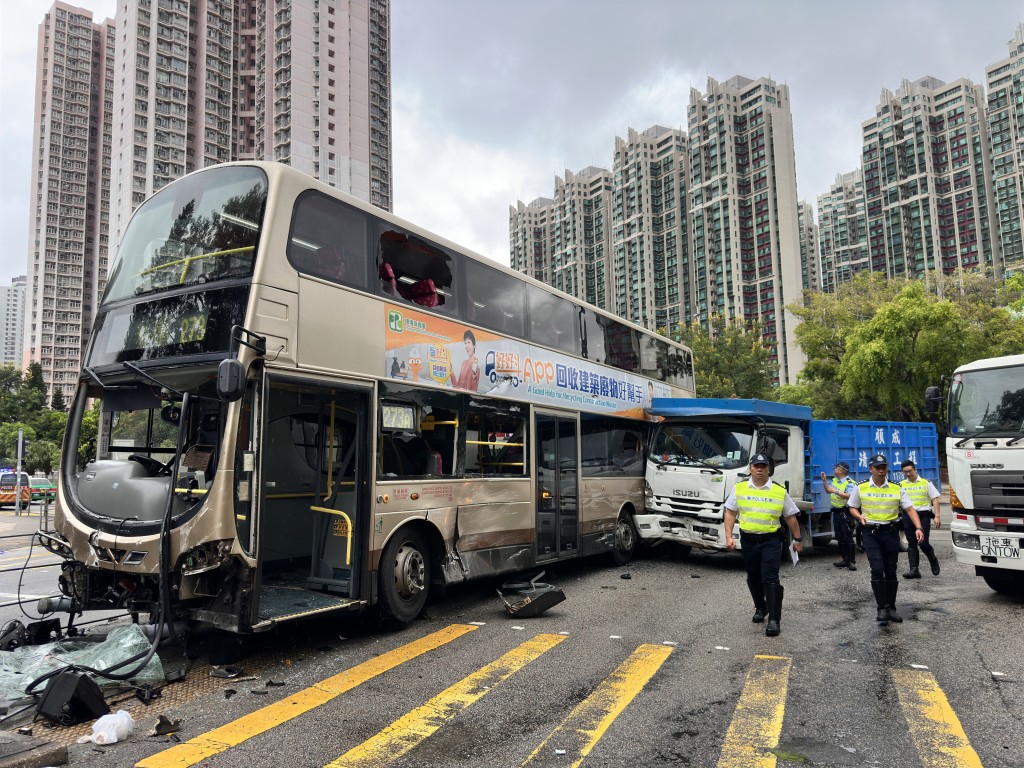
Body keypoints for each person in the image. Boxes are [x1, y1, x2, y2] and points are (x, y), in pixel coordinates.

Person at [724, 453, 803, 637]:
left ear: (769, 469)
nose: (759, 469)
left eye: (763, 466)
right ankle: (761, 607)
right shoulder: (739, 488)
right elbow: (730, 513)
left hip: (771, 540)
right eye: (756, 466)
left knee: (770, 577)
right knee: (753, 576)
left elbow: (790, 517)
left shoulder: (779, 491)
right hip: (749, 540)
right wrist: (729, 536)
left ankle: (774, 620)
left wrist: (797, 540)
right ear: (750, 468)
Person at [847, 454, 925, 626]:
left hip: (890, 532)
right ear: (871, 469)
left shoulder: (897, 488)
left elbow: (910, 509)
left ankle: (891, 608)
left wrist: (918, 528)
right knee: (877, 568)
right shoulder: (861, 487)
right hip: (871, 533)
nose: (881, 470)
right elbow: (852, 507)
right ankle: (881, 608)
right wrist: (859, 517)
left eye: (884, 467)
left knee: (890, 570)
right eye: (877, 467)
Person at [899, 460, 942, 579]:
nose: (908, 474)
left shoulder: (926, 483)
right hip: (908, 516)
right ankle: (914, 570)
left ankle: (932, 559)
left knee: (923, 543)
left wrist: (937, 516)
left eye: (910, 471)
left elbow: (935, 500)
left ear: (915, 470)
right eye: (905, 472)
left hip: (923, 516)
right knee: (911, 544)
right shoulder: (901, 485)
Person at [821, 461, 856, 571]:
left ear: (840, 470)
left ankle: (851, 561)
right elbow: (828, 490)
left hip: (846, 513)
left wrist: (836, 491)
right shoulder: (835, 480)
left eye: (836, 467)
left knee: (847, 537)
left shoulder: (850, 482)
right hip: (836, 513)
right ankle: (845, 559)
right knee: (839, 537)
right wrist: (824, 481)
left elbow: (850, 495)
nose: (834, 469)